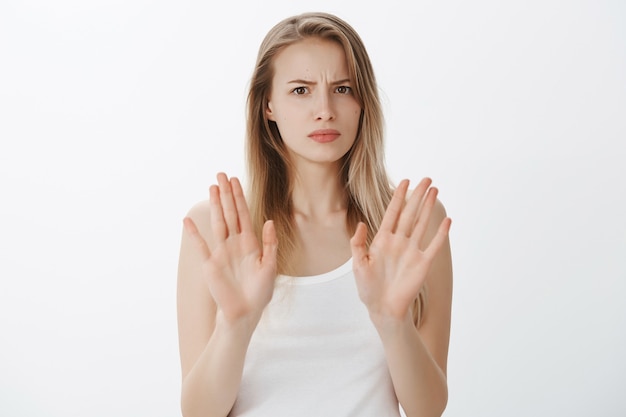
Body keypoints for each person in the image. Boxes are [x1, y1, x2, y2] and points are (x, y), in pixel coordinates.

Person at [177, 11, 453, 417]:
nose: (324, 109)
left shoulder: (412, 225)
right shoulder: (216, 228)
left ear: (363, 103)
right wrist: (235, 323)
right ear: (267, 105)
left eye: (342, 88)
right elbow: (198, 413)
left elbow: (427, 409)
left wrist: (392, 321)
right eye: (301, 90)